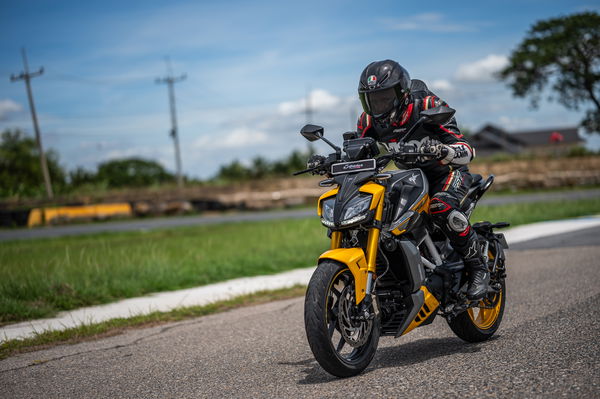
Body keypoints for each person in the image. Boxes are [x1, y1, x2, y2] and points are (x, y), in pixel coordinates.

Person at [312, 59, 489, 300]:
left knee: (441, 207)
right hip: (410, 176)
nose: (379, 104)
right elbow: (360, 151)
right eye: (372, 99)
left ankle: (478, 267)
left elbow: (467, 149)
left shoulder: (427, 104)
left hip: (446, 173)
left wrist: (443, 151)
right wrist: (331, 162)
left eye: (384, 97)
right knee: (376, 214)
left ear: (402, 93)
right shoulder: (367, 120)